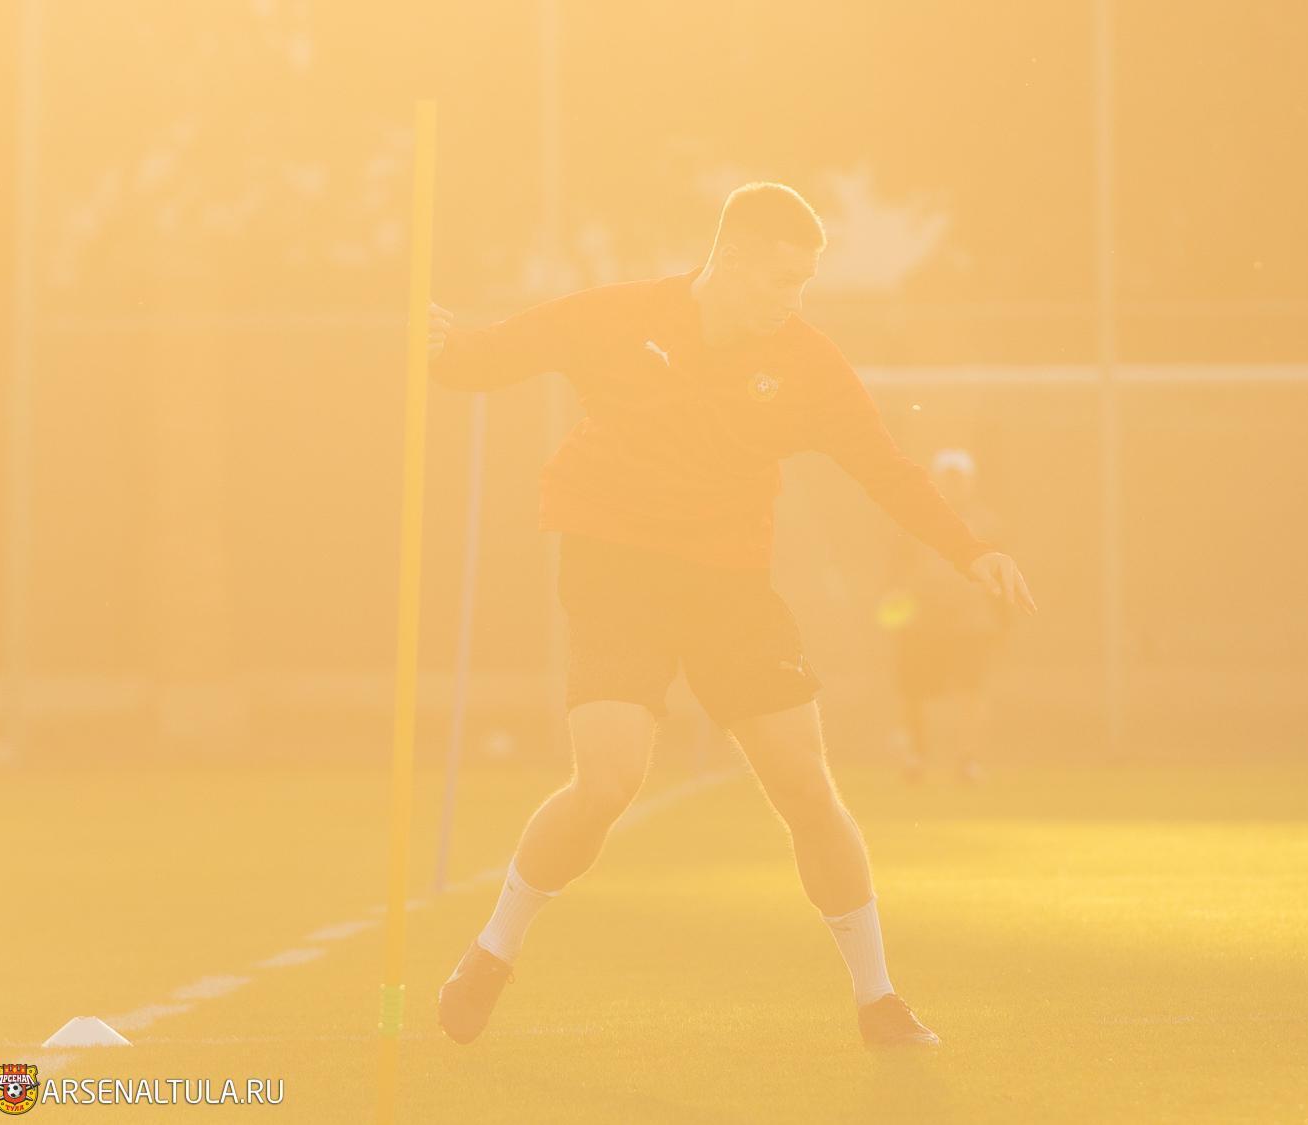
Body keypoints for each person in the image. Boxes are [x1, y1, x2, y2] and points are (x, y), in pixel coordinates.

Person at [424, 183, 1038, 1049]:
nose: (794, 301)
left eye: (805, 283)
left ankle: (878, 1001)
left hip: (730, 586)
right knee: (607, 783)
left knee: (806, 787)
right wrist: (437, 347)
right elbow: (484, 358)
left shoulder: (806, 362)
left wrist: (970, 551)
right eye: (783, 280)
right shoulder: (617, 316)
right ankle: (493, 952)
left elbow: (885, 467)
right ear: (732, 258)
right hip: (615, 570)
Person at [882, 448, 1012, 782]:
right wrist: (898, 614)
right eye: (947, 478)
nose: (954, 485)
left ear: (971, 482)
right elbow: (896, 573)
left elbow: (1001, 575)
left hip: (971, 624)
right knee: (914, 692)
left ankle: (967, 760)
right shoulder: (913, 519)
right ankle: (916, 758)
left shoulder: (988, 525)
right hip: (921, 624)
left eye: (960, 479)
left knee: (971, 691)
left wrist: (1002, 621)